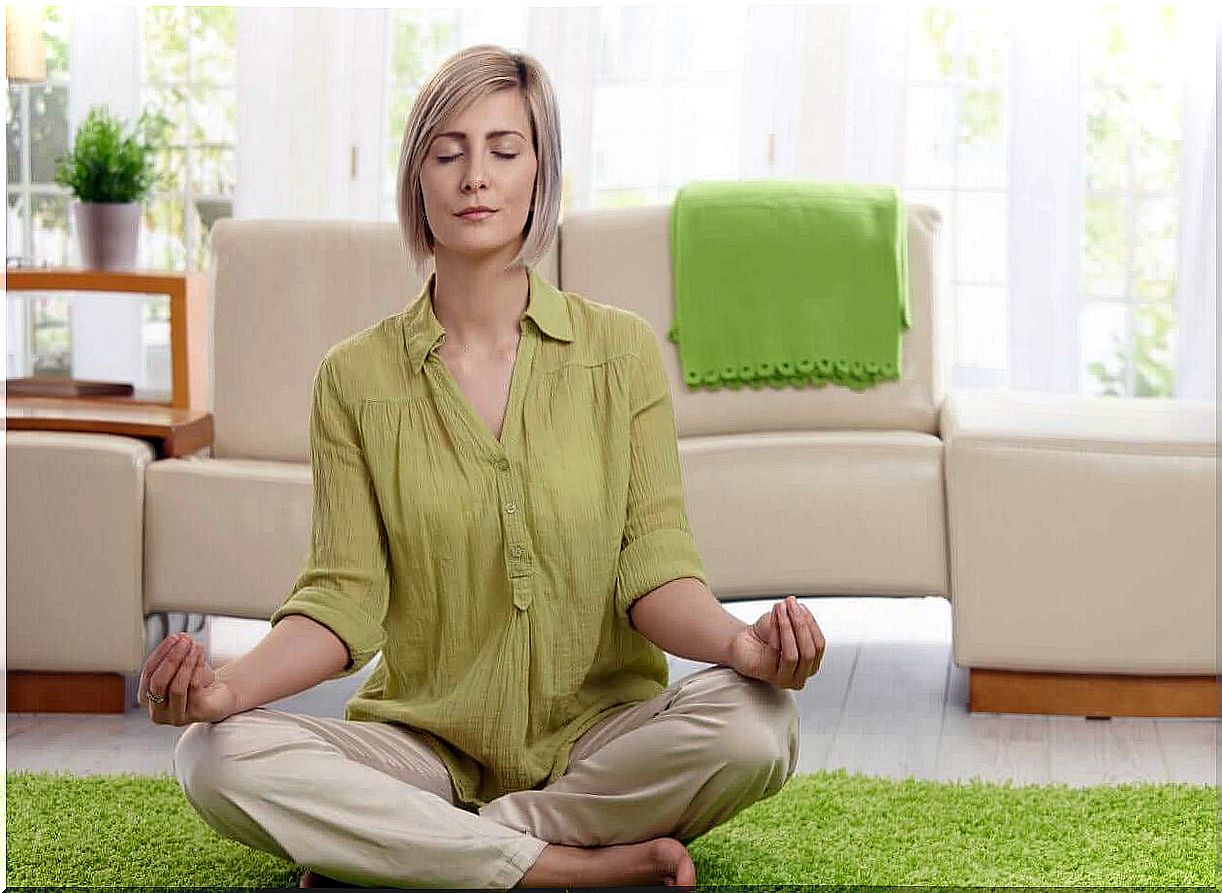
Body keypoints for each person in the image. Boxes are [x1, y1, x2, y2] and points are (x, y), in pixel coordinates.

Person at [142, 43, 826, 889]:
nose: (476, 176)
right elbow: (341, 599)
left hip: (600, 741)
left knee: (757, 723)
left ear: (541, 175)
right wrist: (223, 690)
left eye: (505, 150)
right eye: (448, 150)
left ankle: (416, 851)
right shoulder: (354, 378)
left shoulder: (620, 353)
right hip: (419, 746)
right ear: (417, 178)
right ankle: (562, 869)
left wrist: (744, 647)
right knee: (214, 757)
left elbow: (655, 572)